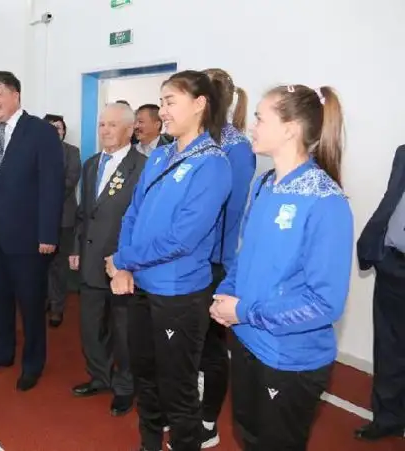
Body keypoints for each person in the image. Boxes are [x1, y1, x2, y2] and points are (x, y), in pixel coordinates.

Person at [210, 84, 353, 450]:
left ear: (289, 129)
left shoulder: (326, 201)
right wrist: (226, 293)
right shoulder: (264, 184)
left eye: (260, 118)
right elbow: (246, 255)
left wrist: (244, 311)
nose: (252, 126)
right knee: (248, 435)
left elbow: (324, 304)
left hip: (288, 358)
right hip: (248, 340)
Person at [109, 70, 231, 451]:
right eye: (160, 102)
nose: (162, 111)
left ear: (199, 105)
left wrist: (123, 258)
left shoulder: (213, 164)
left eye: (170, 102)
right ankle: (148, 443)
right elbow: (133, 212)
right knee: (145, 378)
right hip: (143, 287)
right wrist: (124, 265)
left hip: (179, 295)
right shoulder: (161, 154)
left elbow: (182, 238)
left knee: (177, 390)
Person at [0, 71, 65, 391]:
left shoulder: (41, 132)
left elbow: (52, 187)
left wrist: (48, 235)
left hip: (28, 239)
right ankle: (2, 352)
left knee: (31, 305)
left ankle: (32, 363)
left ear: (15, 95)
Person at [69, 103, 146, 416]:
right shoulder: (90, 164)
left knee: (123, 331)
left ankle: (125, 387)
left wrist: (129, 262)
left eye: (113, 125)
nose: (105, 130)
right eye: (102, 124)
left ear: (130, 129)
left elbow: (143, 221)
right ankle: (100, 376)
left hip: (122, 264)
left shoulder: (143, 167)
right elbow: (84, 213)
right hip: (89, 259)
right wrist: (76, 248)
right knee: (91, 326)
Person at [197, 68, 256, 448]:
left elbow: (228, 211)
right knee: (190, 343)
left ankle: (208, 421)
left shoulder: (236, 147)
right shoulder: (199, 141)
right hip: (190, 260)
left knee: (212, 348)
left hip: (214, 263)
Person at [356, 143, 405, 442]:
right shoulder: (404, 153)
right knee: (388, 347)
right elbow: (392, 200)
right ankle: (387, 419)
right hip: (394, 265)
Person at [43, 114, 81, 328]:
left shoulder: (72, 152)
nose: (55, 130)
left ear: (64, 131)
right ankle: (45, 299)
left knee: (59, 265)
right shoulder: (35, 151)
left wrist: (45, 196)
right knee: (40, 263)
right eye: (50, 127)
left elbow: (70, 181)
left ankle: (57, 307)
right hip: (38, 217)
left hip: (63, 217)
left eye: (58, 127)